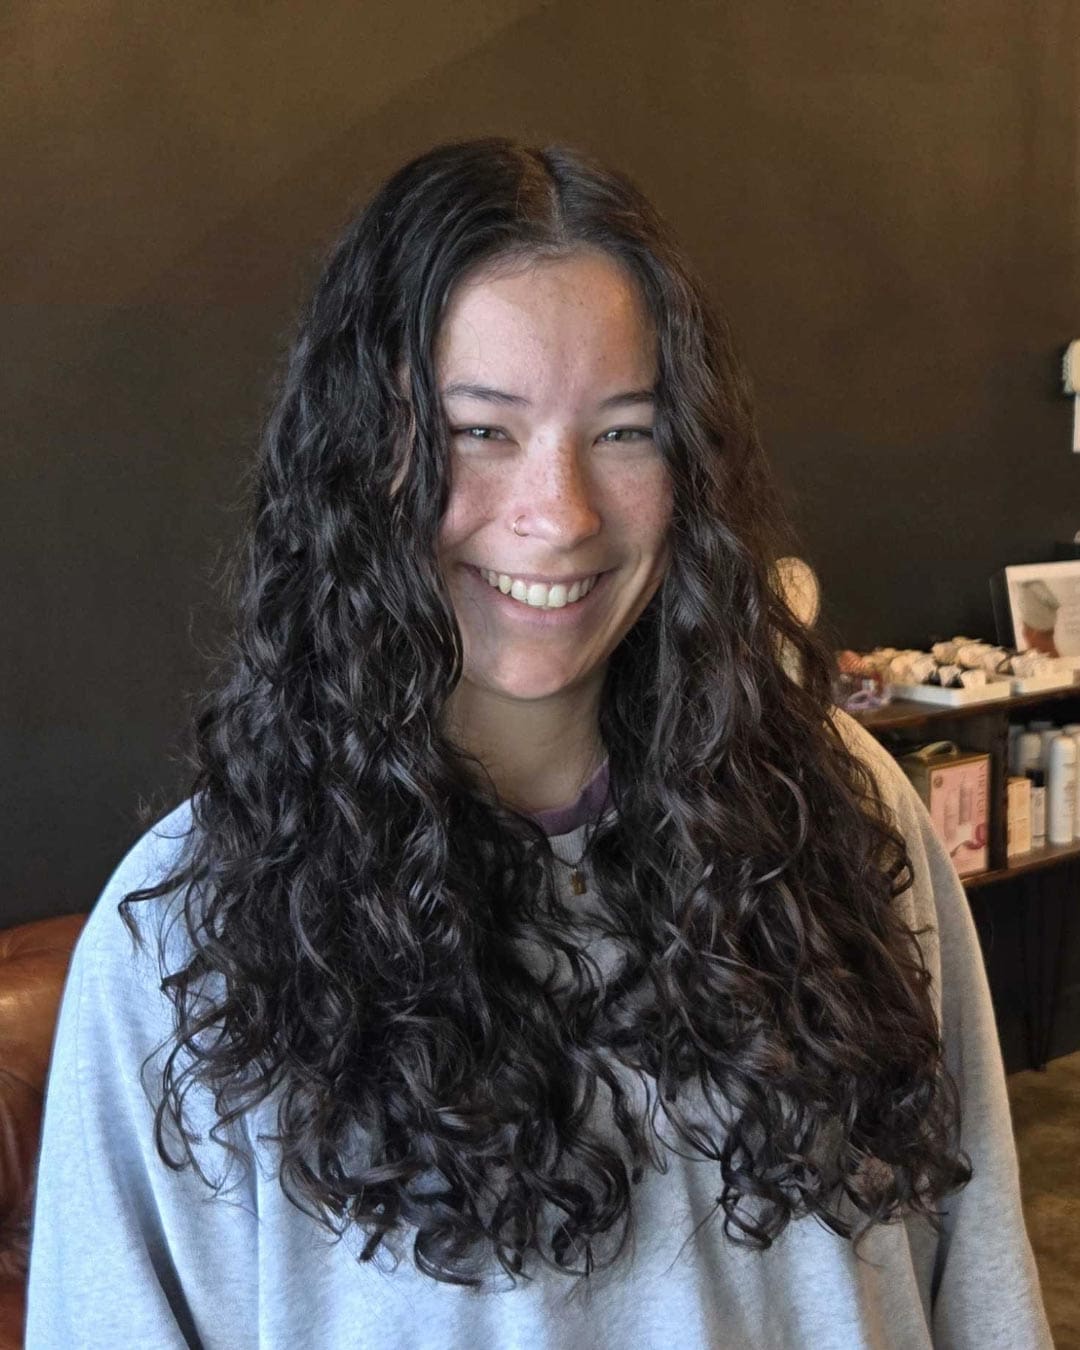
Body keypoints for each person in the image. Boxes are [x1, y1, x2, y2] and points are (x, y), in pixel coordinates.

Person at [26, 138, 1052, 1349]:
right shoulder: (192, 931)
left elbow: (975, 1280)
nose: (559, 513)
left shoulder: (841, 814)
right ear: (362, 456)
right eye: (480, 429)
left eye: (626, 432)